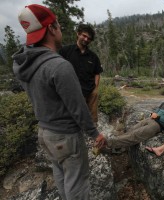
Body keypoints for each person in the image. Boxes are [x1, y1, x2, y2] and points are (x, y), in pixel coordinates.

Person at [13, 4, 105, 200]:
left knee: (60, 172)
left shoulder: (23, 64)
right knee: (78, 183)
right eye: (59, 26)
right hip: (66, 136)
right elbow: (77, 107)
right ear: (51, 29)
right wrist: (94, 133)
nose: (61, 29)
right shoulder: (59, 65)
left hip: (45, 132)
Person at [102, 88, 164, 152]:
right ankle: (119, 146)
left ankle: (109, 143)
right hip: (150, 119)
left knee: (135, 134)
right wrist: (153, 114)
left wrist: (158, 117)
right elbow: (156, 112)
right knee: (132, 129)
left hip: (158, 126)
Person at [59, 24, 103, 125]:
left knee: (92, 120)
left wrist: (95, 88)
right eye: (84, 35)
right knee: (75, 118)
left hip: (90, 90)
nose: (86, 39)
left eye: (89, 38)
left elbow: (97, 73)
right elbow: (57, 69)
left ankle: (92, 131)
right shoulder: (65, 51)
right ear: (78, 34)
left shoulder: (93, 57)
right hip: (72, 91)